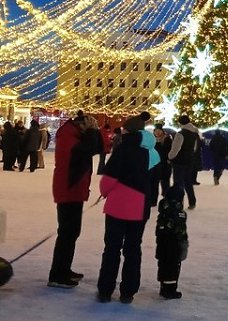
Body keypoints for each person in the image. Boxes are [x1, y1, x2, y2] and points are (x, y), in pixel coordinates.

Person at [96, 115, 158, 303]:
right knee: (133, 249)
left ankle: (105, 289)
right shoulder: (153, 154)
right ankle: (128, 291)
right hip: (141, 206)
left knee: (112, 248)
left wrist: (105, 192)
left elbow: (109, 178)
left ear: (127, 131)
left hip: (117, 206)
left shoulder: (122, 149)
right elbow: (156, 182)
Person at [48, 112, 102, 288]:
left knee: (71, 233)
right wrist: (91, 132)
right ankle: (57, 275)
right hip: (68, 190)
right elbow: (86, 150)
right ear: (81, 125)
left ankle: (63, 269)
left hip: (74, 190)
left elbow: (98, 148)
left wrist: (93, 131)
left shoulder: (75, 135)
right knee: (67, 233)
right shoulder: (67, 136)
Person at [155, 185, 188, 299]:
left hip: (162, 243)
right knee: (173, 267)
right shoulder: (179, 213)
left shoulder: (163, 210)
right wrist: (184, 241)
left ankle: (163, 286)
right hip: (174, 244)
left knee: (163, 264)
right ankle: (170, 290)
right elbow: (180, 230)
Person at [168, 115, 201, 210]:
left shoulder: (180, 134)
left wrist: (170, 157)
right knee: (188, 182)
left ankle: (178, 203)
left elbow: (175, 149)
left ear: (180, 123)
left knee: (178, 183)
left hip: (179, 161)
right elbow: (194, 149)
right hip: (189, 160)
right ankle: (192, 202)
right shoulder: (195, 134)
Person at [153, 125, 173, 200]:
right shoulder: (152, 139)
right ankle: (153, 200)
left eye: (159, 131)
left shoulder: (167, 139)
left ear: (162, 131)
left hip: (165, 163)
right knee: (154, 182)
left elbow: (165, 151)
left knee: (165, 182)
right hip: (155, 164)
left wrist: (158, 143)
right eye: (156, 131)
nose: (157, 132)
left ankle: (166, 197)